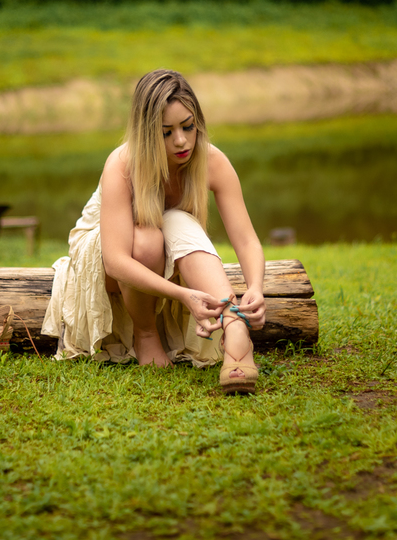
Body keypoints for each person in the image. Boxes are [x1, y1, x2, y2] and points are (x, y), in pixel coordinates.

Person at [40, 68, 266, 393]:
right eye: (166, 132)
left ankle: (235, 328)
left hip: (166, 248)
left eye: (188, 126)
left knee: (175, 219)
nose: (181, 140)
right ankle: (145, 334)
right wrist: (184, 295)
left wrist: (255, 287)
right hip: (106, 251)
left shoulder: (212, 161)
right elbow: (115, 261)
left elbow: (246, 239)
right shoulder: (122, 165)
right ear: (146, 132)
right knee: (147, 234)